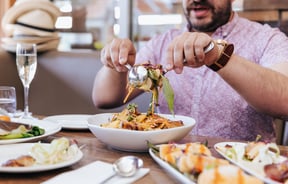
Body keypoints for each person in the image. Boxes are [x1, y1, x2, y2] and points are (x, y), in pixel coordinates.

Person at [92, 0, 288, 142]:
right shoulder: (162, 42)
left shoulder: (267, 39)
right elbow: (105, 99)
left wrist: (217, 57)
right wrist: (115, 64)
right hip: (165, 162)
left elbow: (285, 101)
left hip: (241, 169)